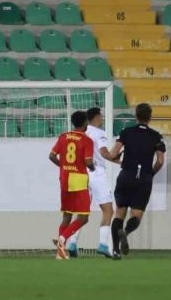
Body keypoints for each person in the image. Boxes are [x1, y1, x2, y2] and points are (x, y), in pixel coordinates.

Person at [108, 103, 166, 261]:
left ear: (136, 116)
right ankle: (125, 233)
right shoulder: (156, 136)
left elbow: (113, 154)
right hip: (144, 178)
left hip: (126, 175)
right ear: (150, 116)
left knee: (119, 212)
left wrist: (119, 158)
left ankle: (115, 251)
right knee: (137, 215)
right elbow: (160, 161)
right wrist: (150, 173)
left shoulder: (126, 132)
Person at [66, 107, 116, 258]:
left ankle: (72, 244)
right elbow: (104, 153)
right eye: (101, 116)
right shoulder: (99, 133)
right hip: (96, 172)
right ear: (96, 116)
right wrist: (119, 160)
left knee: (82, 211)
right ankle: (103, 245)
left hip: (81, 173)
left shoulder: (80, 133)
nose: (102, 119)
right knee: (108, 210)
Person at [48, 111, 95, 260]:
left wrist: (63, 167)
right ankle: (62, 239)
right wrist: (93, 167)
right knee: (83, 217)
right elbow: (88, 162)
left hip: (64, 178)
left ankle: (60, 252)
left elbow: (51, 156)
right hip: (79, 180)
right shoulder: (87, 140)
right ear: (85, 123)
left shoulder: (63, 137)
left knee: (67, 215)